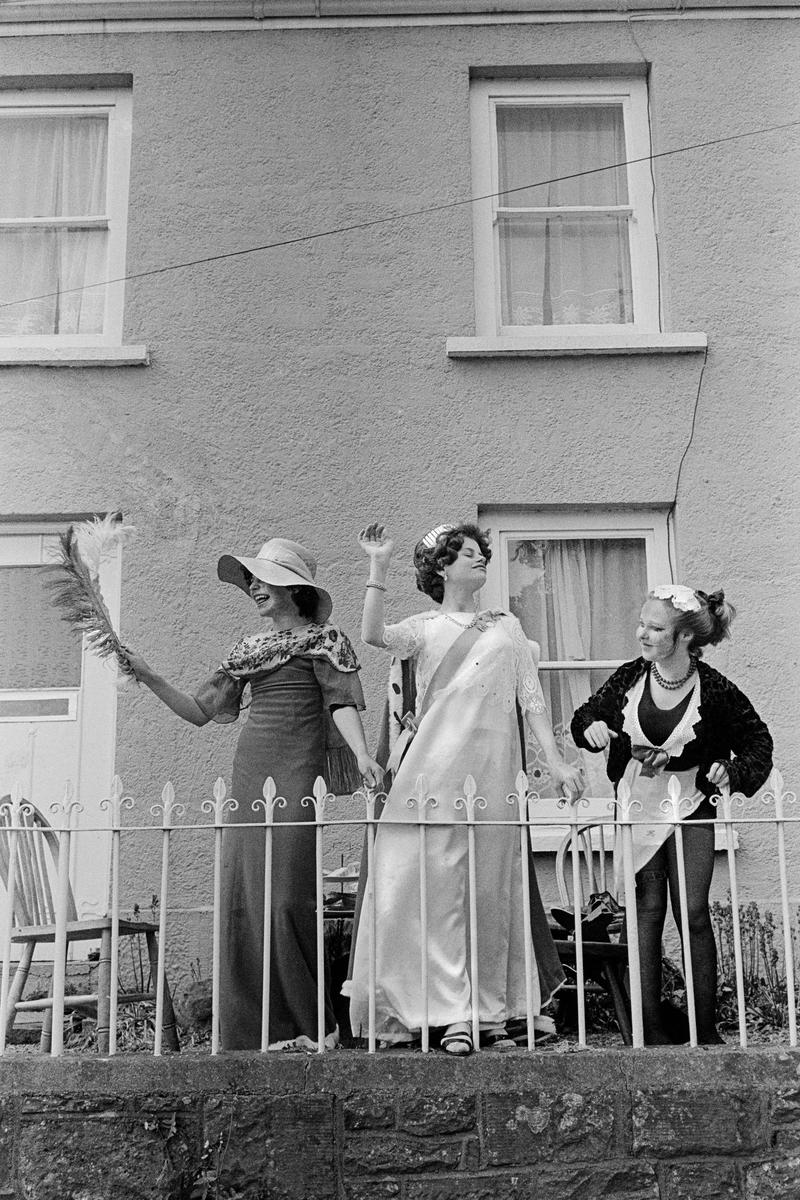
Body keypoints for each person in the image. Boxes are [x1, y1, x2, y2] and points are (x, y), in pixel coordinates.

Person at [124, 537, 382, 1051]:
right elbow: (200, 711)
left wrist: (362, 755)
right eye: (252, 580)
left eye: (263, 579)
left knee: (287, 895)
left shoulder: (326, 638)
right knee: (244, 895)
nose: (254, 588)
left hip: (295, 770)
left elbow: (340, 704)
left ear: (294, 587)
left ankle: (308, 1024)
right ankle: (250, 1029)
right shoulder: (247, 649)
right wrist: (148, 675)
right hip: (250, 771)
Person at [343, 522, 584, 1054]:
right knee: (429, 892)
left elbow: (532, 701)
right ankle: (445, 1011)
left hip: (494, 776)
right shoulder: (425, 627)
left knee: (487, 890)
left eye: (482, 552)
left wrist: (558, 763)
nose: (479, 559)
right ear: (441, 568)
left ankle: (486, 1010)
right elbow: (373, 635)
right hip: (430, 774)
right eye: (467, 553)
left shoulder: (508, 628)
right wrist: (378, 566)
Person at [570, 584, 773, 1044]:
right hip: (638, 804)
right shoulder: (629, 677)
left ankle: (705, 1030)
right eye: (642, 623)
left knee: (694, 912)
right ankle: (649, 1030)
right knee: (646, 910)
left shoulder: (716, 690)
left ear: (684, 638)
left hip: (690, 806)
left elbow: (759, 743)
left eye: (655, 628)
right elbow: (584, 718)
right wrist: (595, 728)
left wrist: (731, 771)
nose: (642, 633)